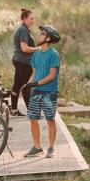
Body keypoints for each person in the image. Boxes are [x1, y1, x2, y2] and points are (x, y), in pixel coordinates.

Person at [22, 25, 61, 158]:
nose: (39, 35)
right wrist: (28, 84)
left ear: (48, 38)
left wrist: (36, 83)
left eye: (42, 33)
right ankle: (37, 147)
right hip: (36, 91)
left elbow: (51, 76)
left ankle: (51, 148)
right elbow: (34, 73)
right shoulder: (36, 54)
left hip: (49, 92)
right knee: (33, 119)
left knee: (50, 120)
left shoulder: (54, 55)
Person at [11, 8, 42, 116]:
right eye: (31, 18)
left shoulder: (23, 28)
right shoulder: (23, 30)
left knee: (17, 85)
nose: (33, 21)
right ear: (24, 19)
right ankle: (32, 111)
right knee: (26, 86)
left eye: (33, 18)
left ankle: (14, 110)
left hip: (19, 60)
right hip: (23, 62)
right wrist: (37, 49)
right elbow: (24, 48)